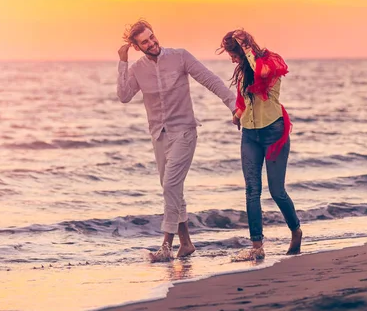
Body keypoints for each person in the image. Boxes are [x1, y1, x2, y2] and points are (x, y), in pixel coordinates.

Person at [117, 19, 237, 262]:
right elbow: (124, 96)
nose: (152, 43)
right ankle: (187, 244)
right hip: (159, 136)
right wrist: (122, 61)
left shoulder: (180, 56)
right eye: (145, 42)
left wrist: (234, 105)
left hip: (184, 131)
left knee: (170, 185)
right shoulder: (137, 69)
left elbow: (210, 80)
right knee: (172, 189)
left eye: (152, 37)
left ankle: (165, 246)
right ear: (137, 47)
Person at [217, 29, 302, 261]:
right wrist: (238, 115)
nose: (232, 59)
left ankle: (296, 230)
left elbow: (262, 73)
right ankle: (257, 245)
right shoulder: (244, 71)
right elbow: (244, 101)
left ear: (243, 49)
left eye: (233, 53)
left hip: (273, 132)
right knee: (252, 191)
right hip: (250, 135)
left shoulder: (270, 61)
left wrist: (247, 50)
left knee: (277, 191)